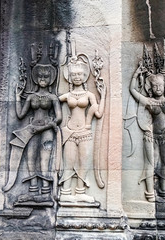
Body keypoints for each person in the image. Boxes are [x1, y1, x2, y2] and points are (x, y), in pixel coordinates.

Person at [3, 63, 62, 203]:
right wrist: (17, 97)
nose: (43, 78)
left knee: (44, 160)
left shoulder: (52, 97)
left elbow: (59, 118)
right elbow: (20, 114)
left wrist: (43, 127)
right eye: (40, 76)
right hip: (31, 130)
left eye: (46, 76)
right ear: (35, 78)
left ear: (51, 79)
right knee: (30, 158)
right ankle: (33, 190)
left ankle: (46, 192)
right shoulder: (31, 97)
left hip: (46, 130)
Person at [129, 65, 165, 203]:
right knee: (151, 164)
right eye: (154, 86)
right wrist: (136, 74)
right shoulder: (149, 102)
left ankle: (163, 191)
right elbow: (132, 90)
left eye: (160, 85)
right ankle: (150, 193)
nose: (158, 88)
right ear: (151, 88)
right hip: (151, 137)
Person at [58, 55, 106, 203]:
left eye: (79, 74)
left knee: (83, 163)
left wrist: (103, 96)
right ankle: (65, 193)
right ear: (70, 78)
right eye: (73, 75)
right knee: (69, 162)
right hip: (70, 132)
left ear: (85, 77)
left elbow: (98, 113)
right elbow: (54, 101)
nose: (76, 77)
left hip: (85, 132)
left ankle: (80, 192)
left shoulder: (90, 95)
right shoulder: (67, 95)